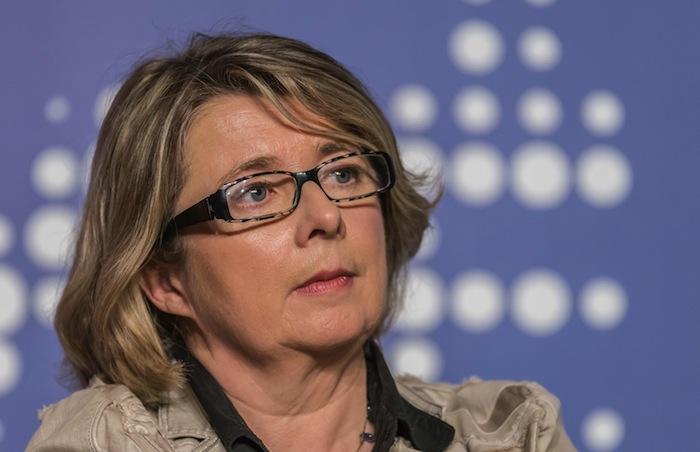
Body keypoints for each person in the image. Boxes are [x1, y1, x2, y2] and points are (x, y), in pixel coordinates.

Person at [27, 32, 576, 452]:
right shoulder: (103, 442)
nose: (326, 216)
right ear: (165, 279)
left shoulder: (509, 433)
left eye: (343, 173)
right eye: (255, 192)